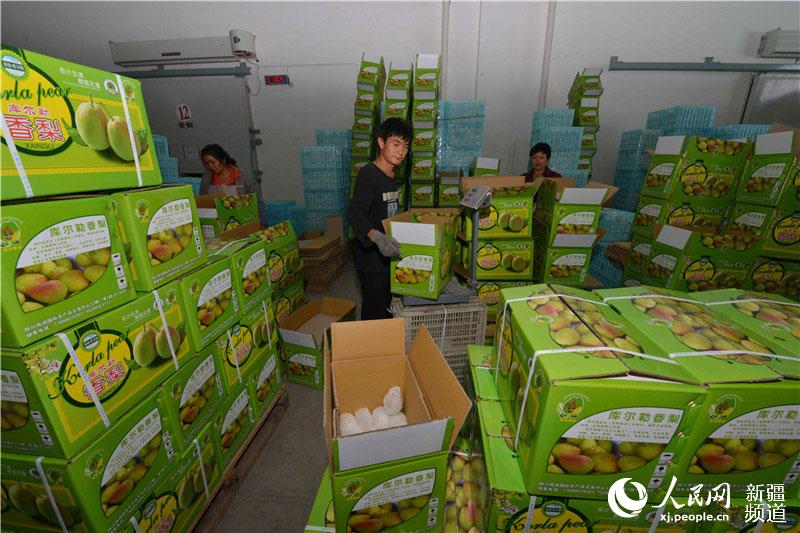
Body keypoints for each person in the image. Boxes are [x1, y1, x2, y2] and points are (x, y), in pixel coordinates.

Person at [349, 118, 411, 320]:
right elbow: (355, 213)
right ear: (381, 142)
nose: (401, 151)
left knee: (386, 309)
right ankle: (369, 349)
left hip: (386, 258)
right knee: (374, 313)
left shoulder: (391, 177)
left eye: (405, 145)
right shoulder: (368, 174)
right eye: (396, 143)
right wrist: (376, 236)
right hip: (370, 260)